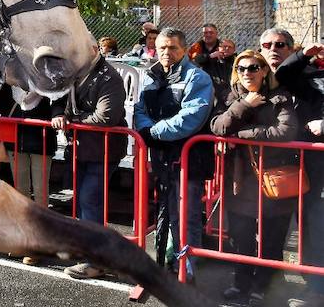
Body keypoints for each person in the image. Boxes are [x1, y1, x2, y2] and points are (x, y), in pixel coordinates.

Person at [210, 50, 298, 306]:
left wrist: (245, 134)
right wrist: (245, 104)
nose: (247, 73)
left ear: (263, 70)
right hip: (240, 178)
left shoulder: (280, 96)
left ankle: (264, 285)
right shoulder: (231, 96)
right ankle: (241, 284)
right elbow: (218, 126)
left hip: (275, 176)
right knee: (241, 235)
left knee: (272, 236)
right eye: (242, 68)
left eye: (253, 67)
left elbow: (286, 131)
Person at [133, 27, 214, 280]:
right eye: (162, 47)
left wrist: (153, 132)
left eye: (172, 48)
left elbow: (190, 118)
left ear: (184, 49)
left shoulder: (197, 78)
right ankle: (167, 263)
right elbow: (140, 109)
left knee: (186, 215)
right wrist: (148, 128)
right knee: (165, 211)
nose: (167, 52)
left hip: (188, 159)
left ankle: (188, 271)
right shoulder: (151, 75)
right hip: (162, 158)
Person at [261, 28, 324, 307]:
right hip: (308, 165)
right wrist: (303, 55)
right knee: (310, 229)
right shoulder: (312, 74)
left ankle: (318, 288)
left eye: (280, 45)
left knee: (317, 226)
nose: (273, 48)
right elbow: (284, 75)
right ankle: (315, 285)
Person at [56, 45, 127, 280]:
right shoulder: (76, 75)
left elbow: (106, 117)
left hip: (103, 150)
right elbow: (68, 107)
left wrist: (73, 121)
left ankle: (95, 261)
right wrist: (63, 117)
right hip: (82, 149)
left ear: (95, 51)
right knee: (83, 202)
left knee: (90, 200)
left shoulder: (110, 77)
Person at [7, 87, 64, 209]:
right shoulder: (11, 81)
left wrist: (58, 114)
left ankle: (42, 222)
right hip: (16, 142)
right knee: (20, 188)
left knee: (40, 189)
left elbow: (58, 95)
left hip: (41, 141)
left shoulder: (44, 78)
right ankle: (24, 221)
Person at [195, 37, 236, 107]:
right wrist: (210, 56)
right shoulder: (210, 60)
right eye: (224, 46)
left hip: (231, 95)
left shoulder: (237, 61)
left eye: (230, 47)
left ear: (234, 50)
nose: (227, 49)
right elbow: (197, 60)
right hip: (213, 95)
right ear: (218, 48)